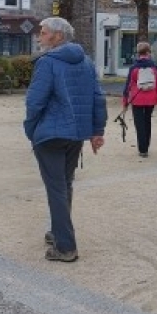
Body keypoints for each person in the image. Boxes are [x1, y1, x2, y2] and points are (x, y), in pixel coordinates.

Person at [23, 17, 106, 262]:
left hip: (50, 134)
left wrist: (31, 129)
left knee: (56, 188)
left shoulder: (47, 62)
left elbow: (34, 101)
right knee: (65, 185)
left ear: (58, 36)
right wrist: (97, 130)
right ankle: (58, 232)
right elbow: (97, 98)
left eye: (44, 32)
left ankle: (65, 246)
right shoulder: (87, 62)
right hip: (75, 135)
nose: (39, 36)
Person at [122, 41, 157, 157]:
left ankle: (142, 149)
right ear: (148, 52)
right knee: (147, 121)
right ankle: (146, 144)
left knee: (139, 123)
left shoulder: (134, 67)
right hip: (151, 98)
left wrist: (125, 101)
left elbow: (128, 85)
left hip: (137, 99)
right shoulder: (154, 66)